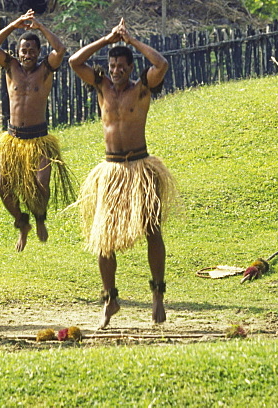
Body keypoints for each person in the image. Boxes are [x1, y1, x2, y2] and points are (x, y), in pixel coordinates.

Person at [69, 19, 176, 328]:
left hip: (140, 168)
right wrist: (106, 40)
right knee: (104, 240)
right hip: (112, 170)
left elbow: (162, 63)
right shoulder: (101, 86)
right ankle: (110, 299)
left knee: (152, 231)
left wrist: (132, 42)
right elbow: (76, 61)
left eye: (121, 65)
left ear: (130, 68)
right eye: (112, 65)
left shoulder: (142, 88)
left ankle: (157, 295)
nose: (115, 70)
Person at [0, 10, 74, 252]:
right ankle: (22, 222)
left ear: (38, 53)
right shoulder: (10, 66)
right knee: (1, 185)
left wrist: (40, 27)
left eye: (32, 51)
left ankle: (40, 218)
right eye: (24, 51)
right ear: (18, 52)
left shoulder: (45, 70)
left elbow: (61, 50)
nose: (27, 55)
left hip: (39, 139)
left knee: (41, 184)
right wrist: (14, 25)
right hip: (12, 140)